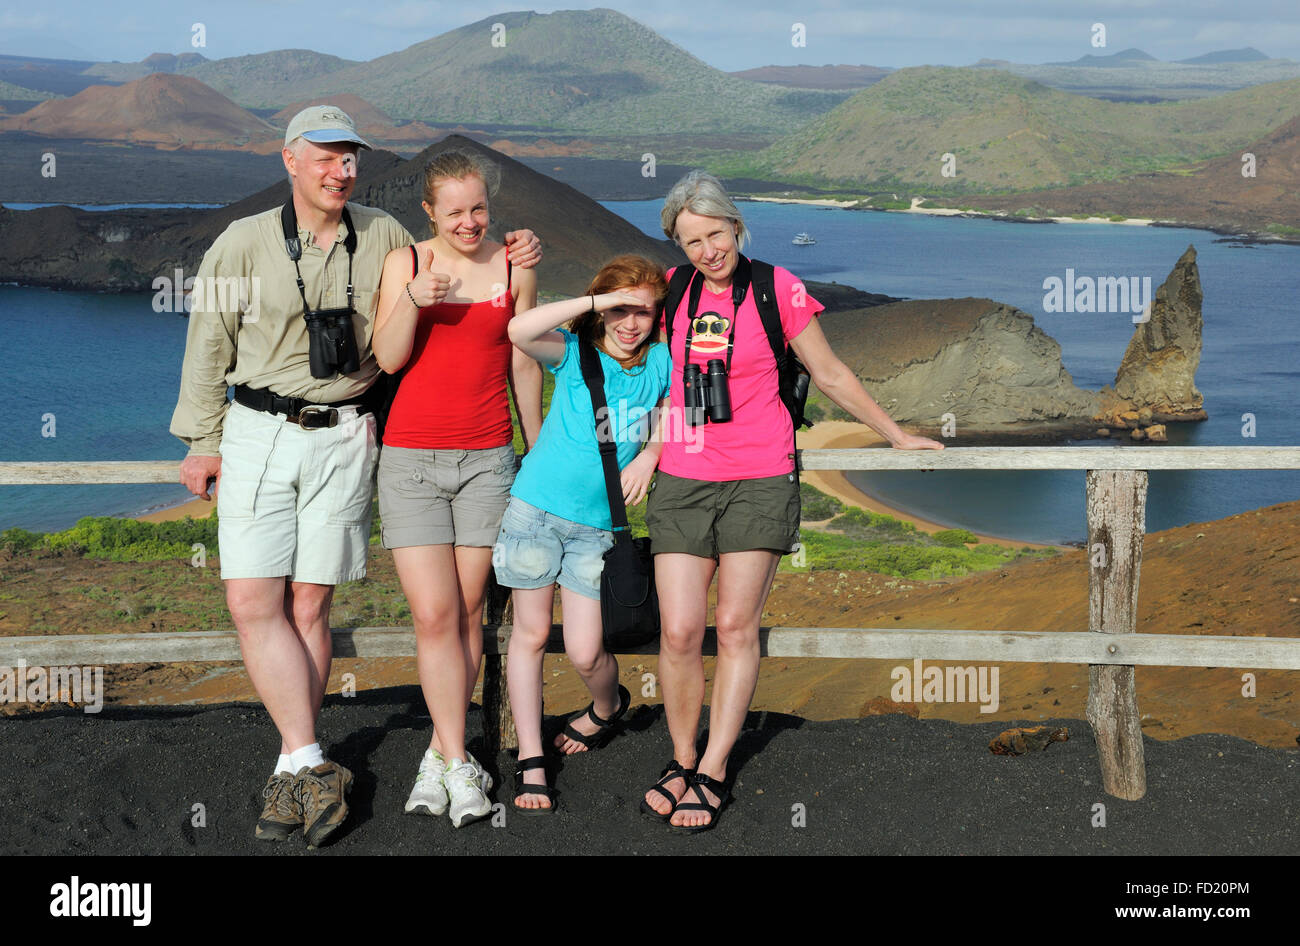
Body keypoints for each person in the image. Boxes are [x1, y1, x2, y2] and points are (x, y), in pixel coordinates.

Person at [170, 108, 540, 848]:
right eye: (327, 158)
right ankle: (309, 759)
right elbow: (207, 340)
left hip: (344, 432)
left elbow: (460, 262)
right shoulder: (240, 243)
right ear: (289, 161)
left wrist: (515, 245)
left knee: (311, 604)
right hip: (257, 429)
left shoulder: (382, 235)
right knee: (251, 600)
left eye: (350, 159)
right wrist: (201, 439)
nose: (342, 170)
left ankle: (298, 763)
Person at [641, 170, 944, 832]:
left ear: (736, 225)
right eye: (690, 241)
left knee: (736, 626)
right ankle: (681, 757)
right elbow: (629, 350)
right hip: (683, 478)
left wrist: (893, 435)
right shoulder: (672, 293)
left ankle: (715, 767)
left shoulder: (779, 288)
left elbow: (829, 371)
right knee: (679, 630)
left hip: (759, 475)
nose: (705, 251)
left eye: (714, 234)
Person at [372, 148, 544, 828]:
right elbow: (386, 357)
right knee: (434, 616)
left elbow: (525, 361)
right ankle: (454, 758)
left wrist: (536, 449)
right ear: (428, 211)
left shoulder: (514, 264)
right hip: (410, 460)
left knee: (470, 611)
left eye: (478, 208)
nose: (469, 222)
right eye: (454, 211)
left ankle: (445, 757)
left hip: (488, 460)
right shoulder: (405, 264)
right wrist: (412, 301)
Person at [495, 255, 672, 815]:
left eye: (643, 311)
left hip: (597, 531)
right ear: (599, 309)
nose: (631, 323)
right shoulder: (574, 354)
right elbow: (518, 330)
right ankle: (531, 760)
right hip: (534, 512)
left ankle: (606, 706)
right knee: (527, 637)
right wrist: (596, 303)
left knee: (586, 649)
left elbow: (682, 404)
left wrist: (652, 451)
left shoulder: (661, 362)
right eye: (619, 309)